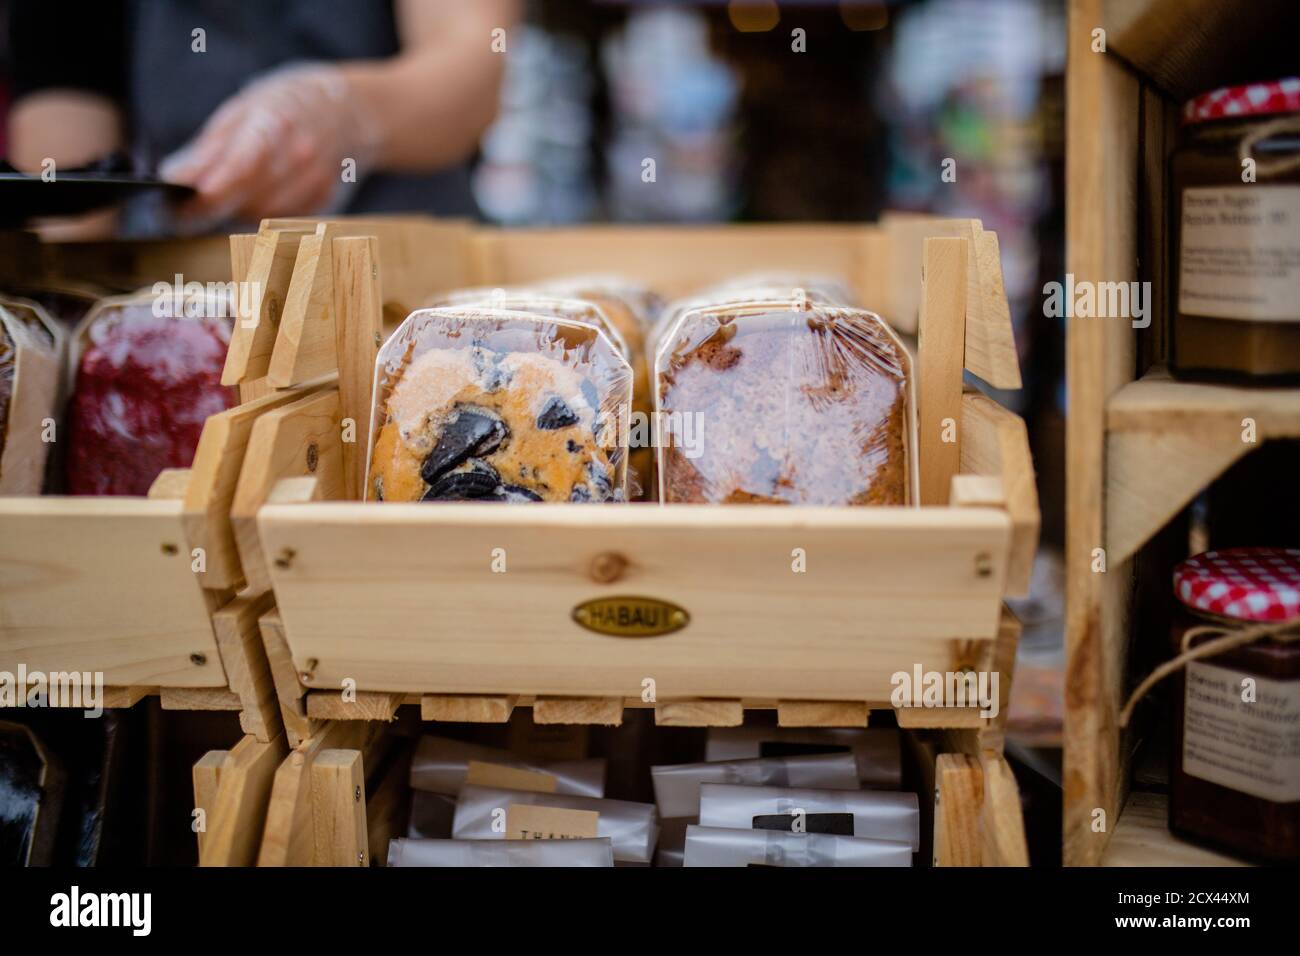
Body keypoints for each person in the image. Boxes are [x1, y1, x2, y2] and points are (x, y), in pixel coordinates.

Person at [6, 0, 518, 233]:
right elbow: (64, 167)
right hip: (185, 295)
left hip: (408, 277)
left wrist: (349, 112)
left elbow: (474, 58)